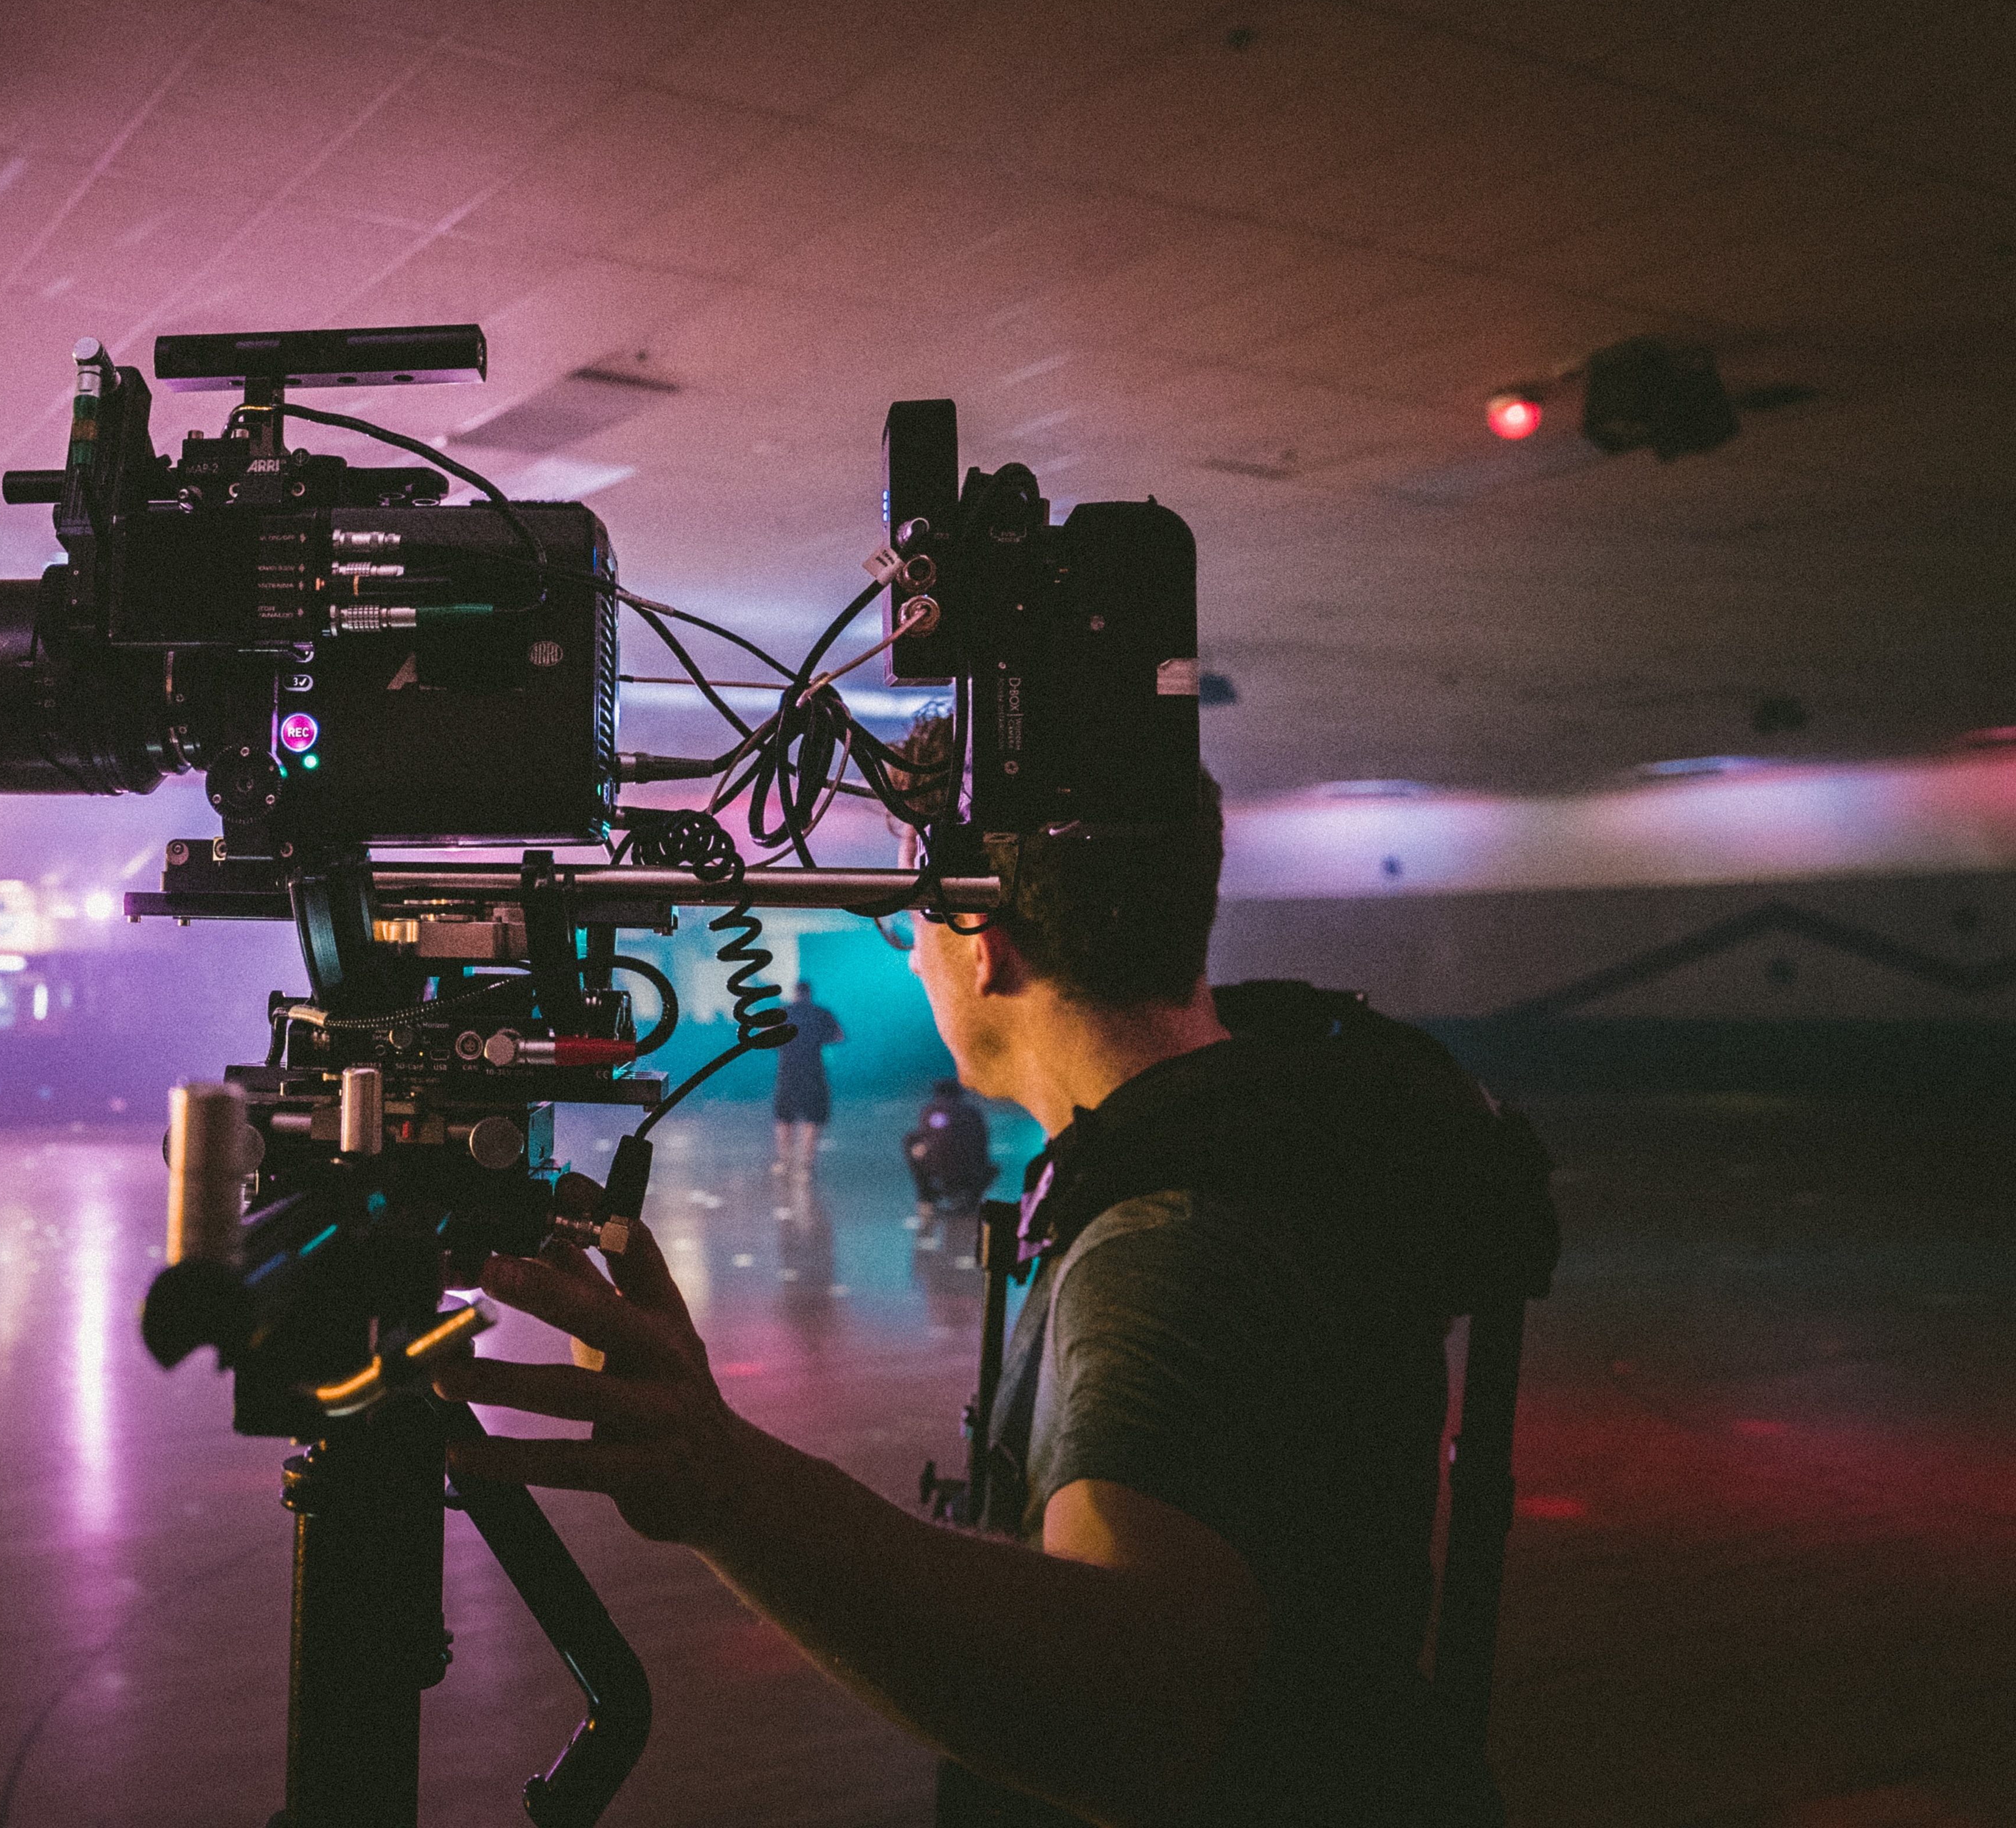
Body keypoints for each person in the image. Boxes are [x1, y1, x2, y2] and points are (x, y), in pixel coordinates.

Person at [438, 761, 1554, 1827]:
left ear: (983, 944)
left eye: (911, 927)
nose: (915, 964)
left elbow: (1137, 1718)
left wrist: (721, 1483)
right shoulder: (1274, 1133)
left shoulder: (1167, 1242)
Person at [903, 1073, 996, 1249]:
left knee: (911, 1142)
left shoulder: (934, 1112)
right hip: (973, 1173)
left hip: (950, 1170)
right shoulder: (973, 1113)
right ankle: (965, 1195)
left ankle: (928, 1196)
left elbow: (935, 1140)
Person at [770, 977, 846, 1180]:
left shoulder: (783, 1013)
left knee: (784, 1119)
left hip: (788, 1073)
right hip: (814, 1072)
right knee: (812, 1119)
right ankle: (806, 1166)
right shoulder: (821, 1013)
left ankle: (784, 1163)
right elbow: (840, 1036)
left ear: (794, 993)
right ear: (810, 994)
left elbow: (765, 1035)